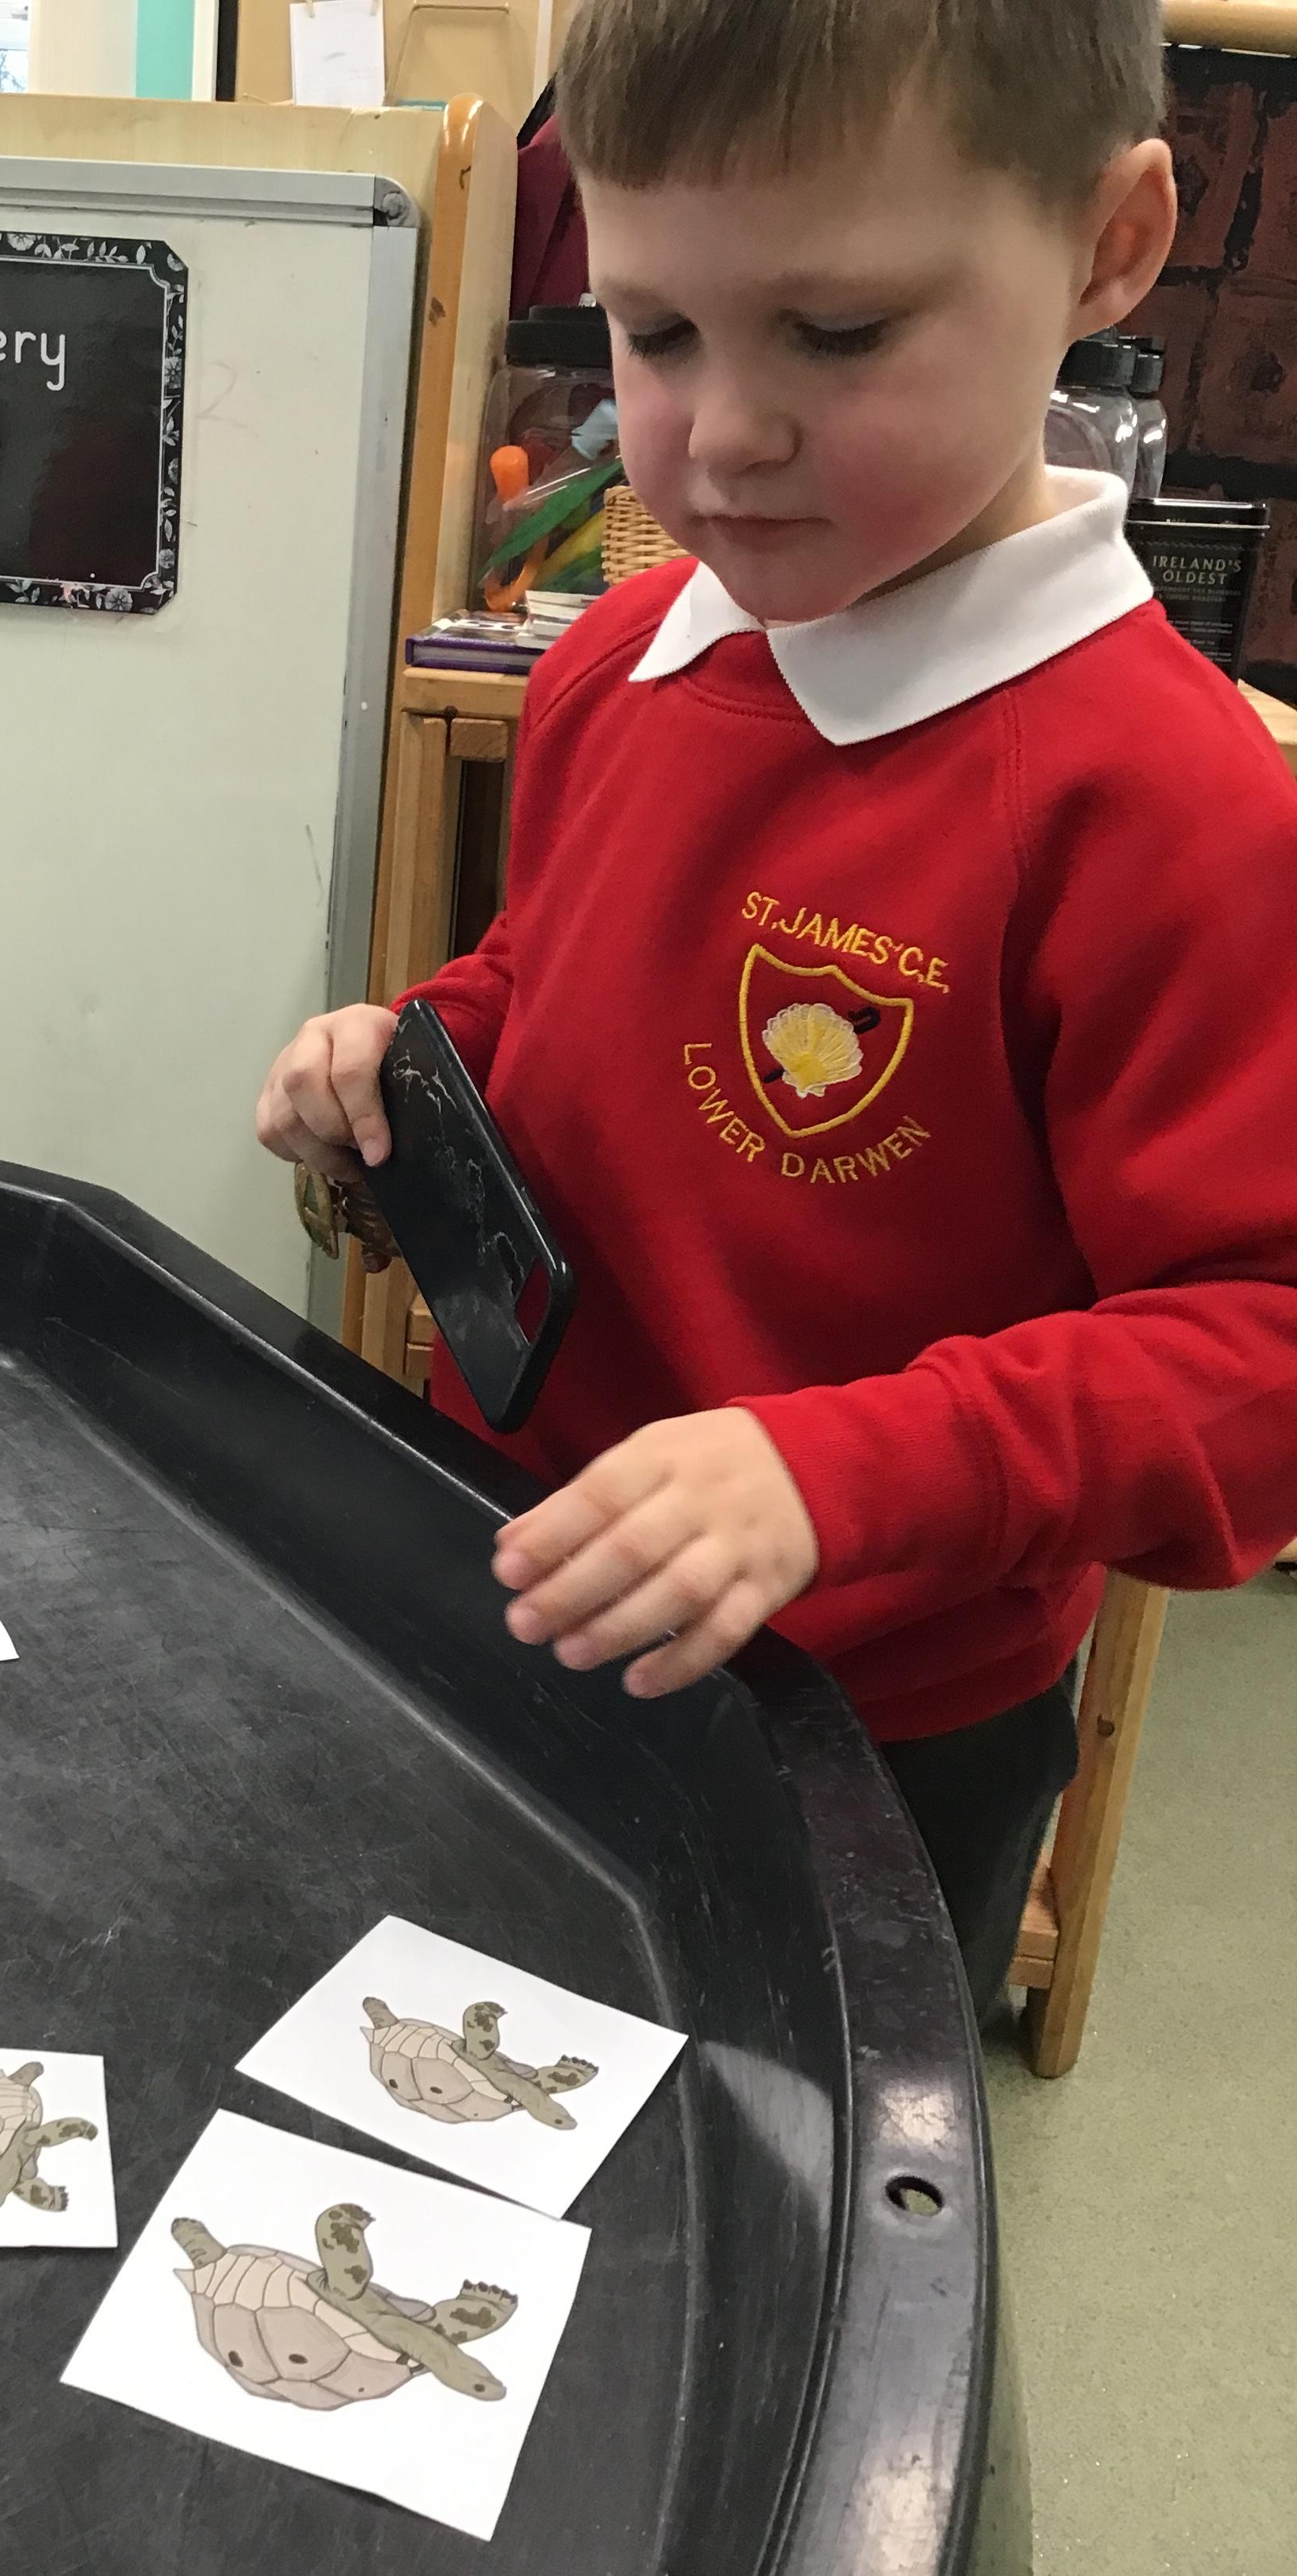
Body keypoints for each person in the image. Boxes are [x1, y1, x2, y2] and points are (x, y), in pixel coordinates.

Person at [255, 0, 1297, 2017]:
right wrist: (415, 1046)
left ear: (1108, 247)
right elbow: (562, 970)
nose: (721, 434)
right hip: (525, 1568)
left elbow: (1259, 1346)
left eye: (836, 333)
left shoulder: (1167, 808)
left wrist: (841, 1477)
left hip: (874, 1724)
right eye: (657, 333)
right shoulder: (622, 656)